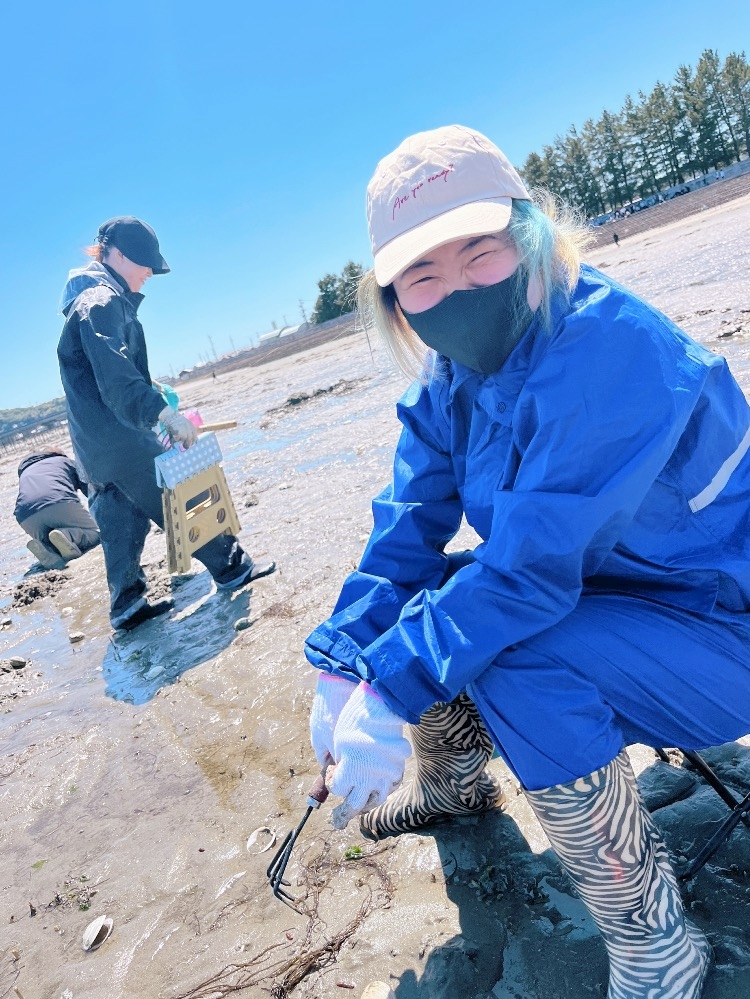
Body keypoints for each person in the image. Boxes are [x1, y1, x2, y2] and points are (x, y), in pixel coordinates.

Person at [305, 125, 750, 998]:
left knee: (506, 646)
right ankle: (456, 785)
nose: (458, 289)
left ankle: (655, 944)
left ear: (532, 235)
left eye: (481, 253)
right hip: (622, 602)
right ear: (395, 302)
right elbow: (406, 532)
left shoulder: (609, 349)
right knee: (432, 608)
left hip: (721, 624)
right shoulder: (448, 384)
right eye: (423, 276)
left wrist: (388, 689)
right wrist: (342, 661)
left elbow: (527, 575)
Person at [57, 217, 275, 632]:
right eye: (145, 265)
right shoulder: (101, 300)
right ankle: (233, 568)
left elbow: (100, 374)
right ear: (118, 255)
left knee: (119, 513)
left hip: (94, 445)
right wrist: (164, 413)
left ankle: (127, 603)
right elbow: (116, 378)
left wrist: (149, 389)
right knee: (179, 493)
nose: (149, 274)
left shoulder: (83, 302)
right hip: (121, 436)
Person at [14, 449, 100, 569]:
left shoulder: (25, 472)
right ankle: (68, 535)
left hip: (25, 517)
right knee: (96, 535)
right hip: (59, 502)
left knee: (50, 539)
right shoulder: (65, 461)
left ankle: (47, 548)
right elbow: (91, 491)